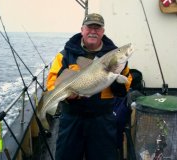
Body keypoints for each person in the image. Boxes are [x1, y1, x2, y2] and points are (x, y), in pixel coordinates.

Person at [46, 13, 132, 160]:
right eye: (89, 27)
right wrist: (68, 97)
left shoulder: (113, 55)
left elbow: (124, 89)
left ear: (103, 32)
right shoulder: (65, 55)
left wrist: (117, 80)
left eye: (97, 28)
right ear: (82, 30)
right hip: (72, 119)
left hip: (102, 120)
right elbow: (51, 84)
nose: (93, 31)